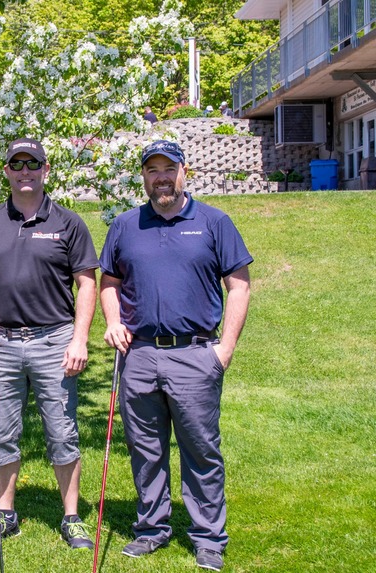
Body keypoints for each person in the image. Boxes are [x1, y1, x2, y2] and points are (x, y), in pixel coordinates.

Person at [99, 140, 252, 571]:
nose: (161, 177)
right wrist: (113, 321)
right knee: (145, 449)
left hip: (195, 354)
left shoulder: (214, 222)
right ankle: (151, 529)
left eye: (169, 169)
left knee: (200, 450)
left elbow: (239, 285)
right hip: (139, 356)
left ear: (185, 171)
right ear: (144, 177)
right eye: (153, 170)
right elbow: (109, 282)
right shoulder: (125, 225)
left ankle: (208, 538)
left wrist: (225, 349)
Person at [0, 137, 99, 550]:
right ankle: (6, 515)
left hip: (54, 341)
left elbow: (87, 283)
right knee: (1, 433)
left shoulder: (68, 222)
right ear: (6, 170)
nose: (25, 171)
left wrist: (79, 339)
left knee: (62, 432)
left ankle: (71, 517)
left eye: (33, 164)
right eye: (17, 164)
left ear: (45, 169)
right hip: (1, 343)